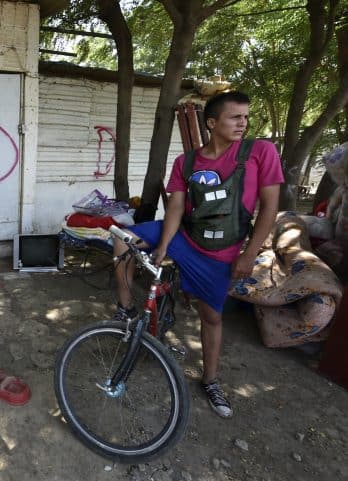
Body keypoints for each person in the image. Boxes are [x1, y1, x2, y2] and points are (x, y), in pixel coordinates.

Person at [113, 91, 284, 418]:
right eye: (235, 117)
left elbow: (270, 207)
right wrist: (164, 245)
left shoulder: (259, 152)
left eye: (245, 117)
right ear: (211, 122)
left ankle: (210, 380)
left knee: (212, 317)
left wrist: (249, 254)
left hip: (221, 253)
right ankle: (126, 309)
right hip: (185, 237)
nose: (243, 123)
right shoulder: (186, 162)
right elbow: (176, 205)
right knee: (123, 239)